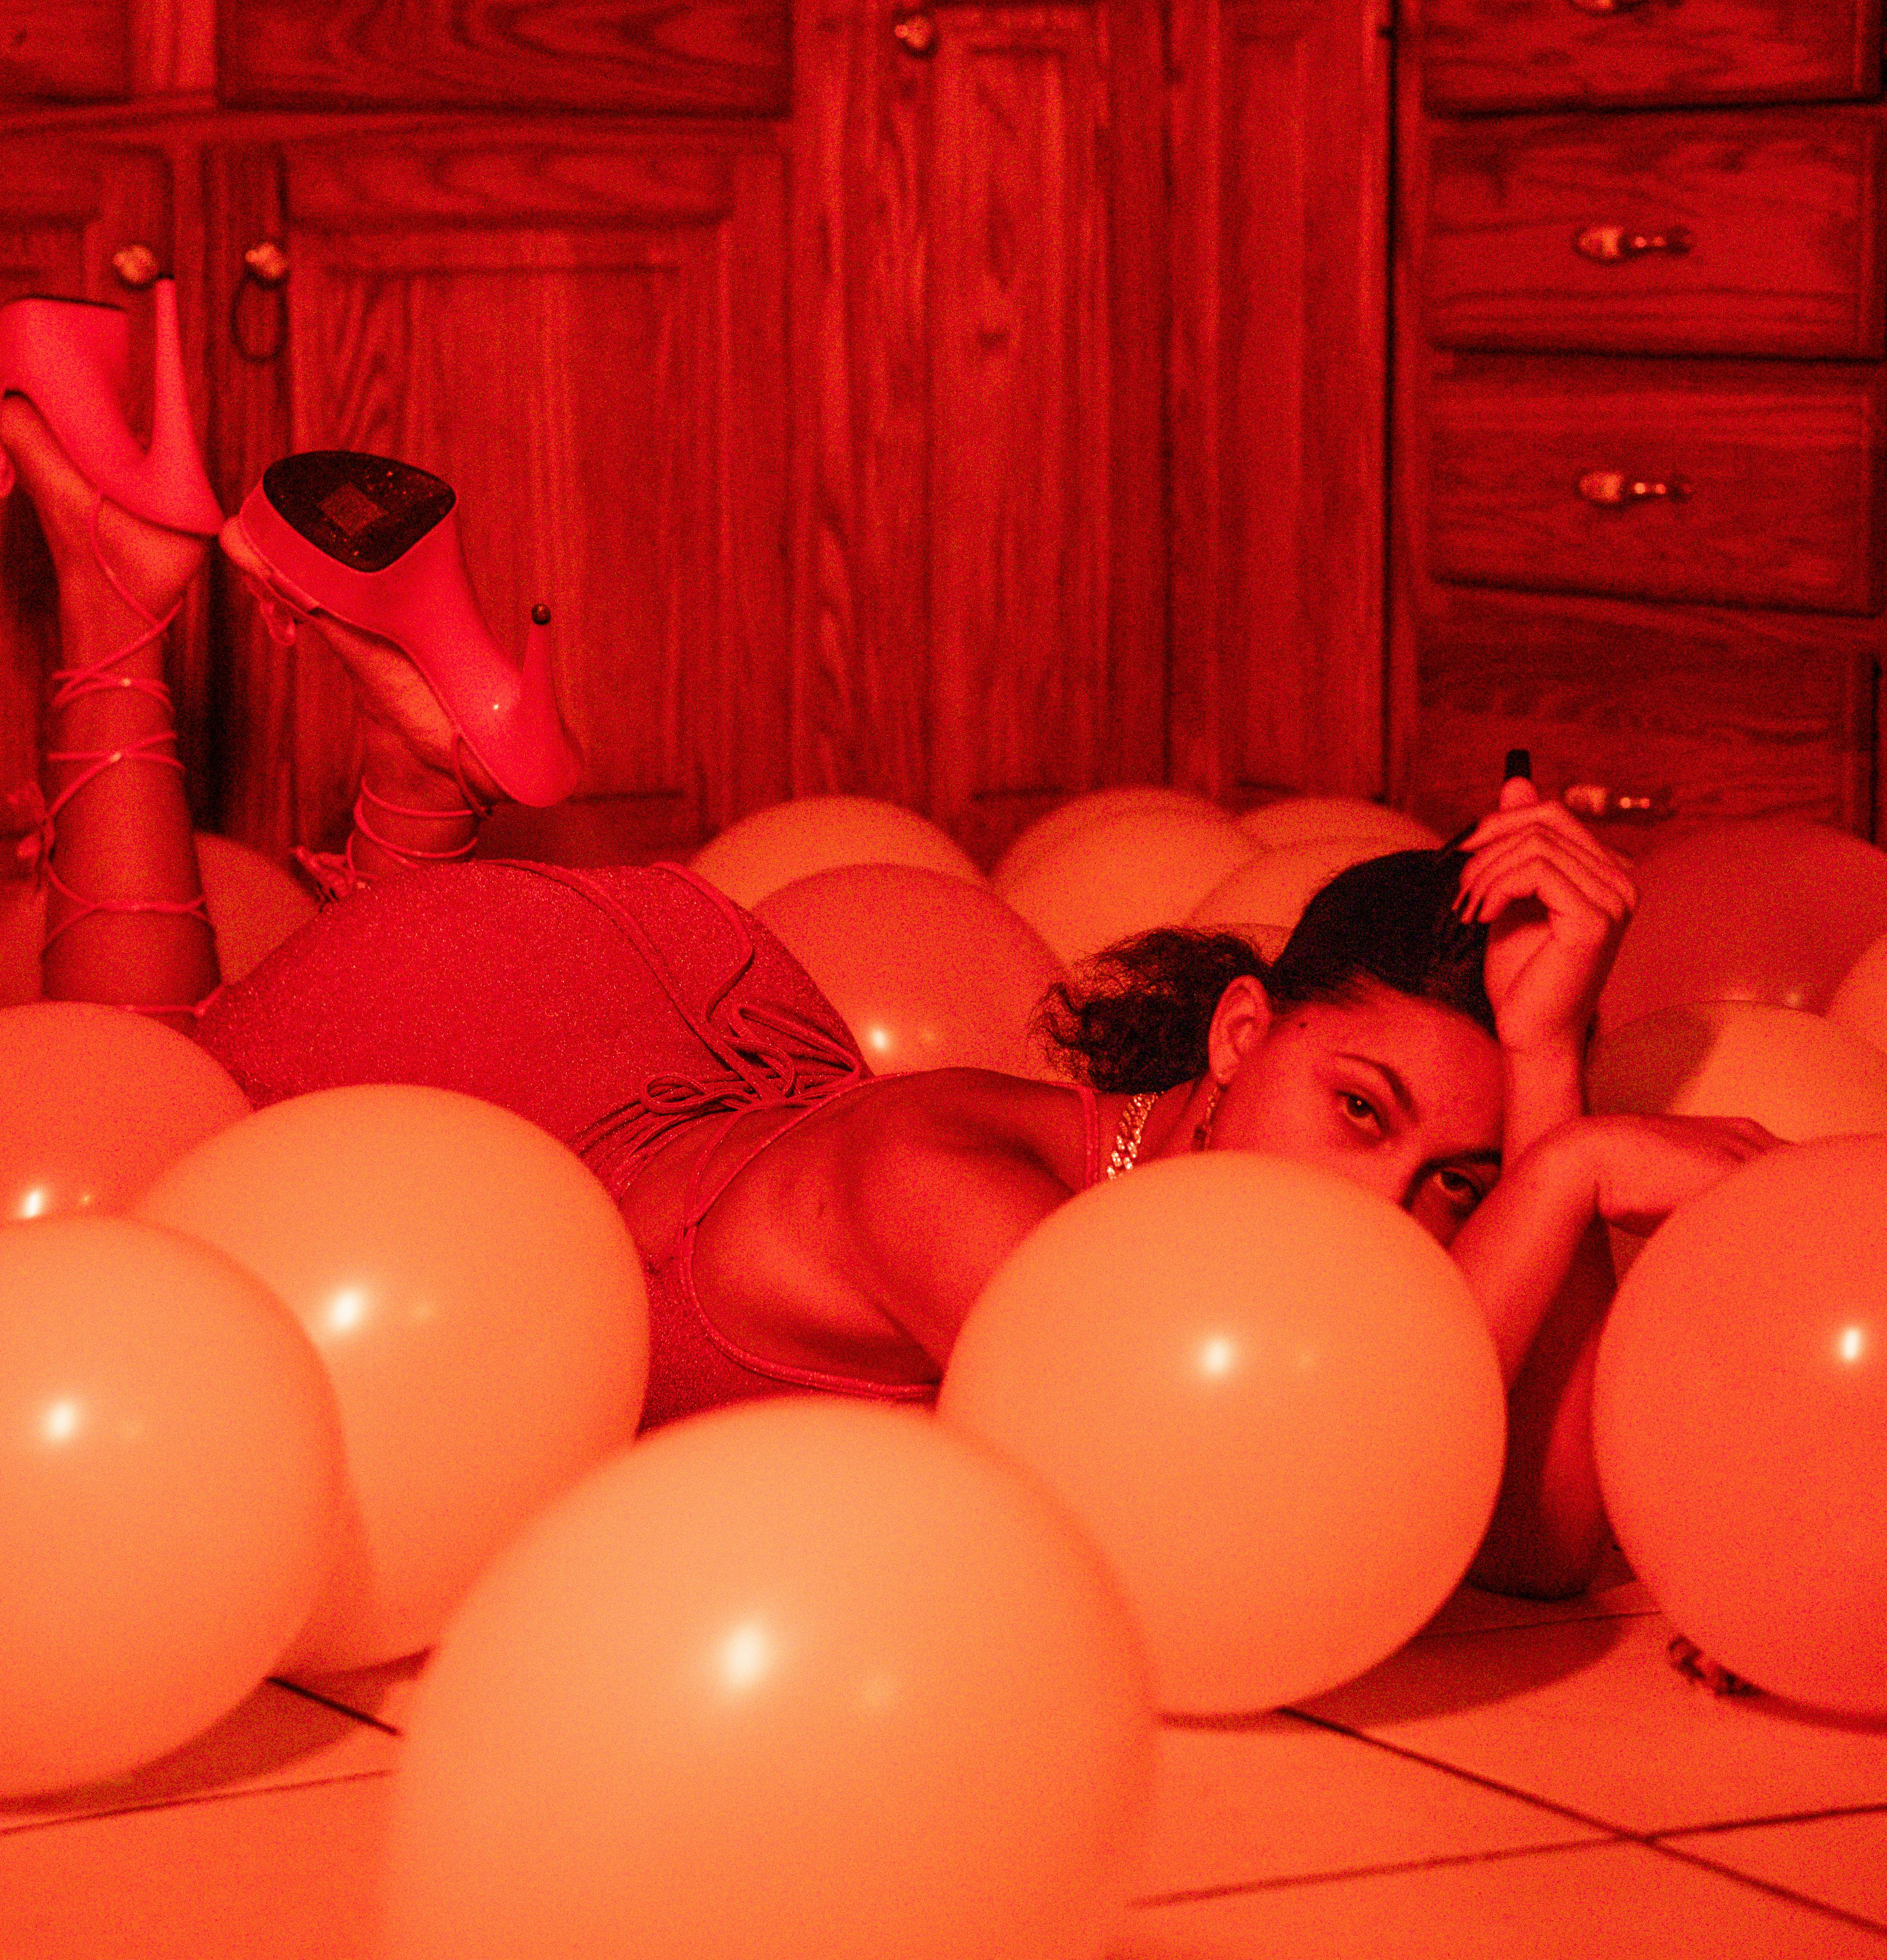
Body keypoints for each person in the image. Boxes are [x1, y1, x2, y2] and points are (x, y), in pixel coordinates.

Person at [0, 290, 1778, 1601]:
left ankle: (408, 757)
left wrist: (1552, 1078)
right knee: (140, 1140)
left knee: (178, 1135)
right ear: (1241, 1037)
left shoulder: (1143, 1226)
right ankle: (114, 596)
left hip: (540, 1106)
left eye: (1455, 1185)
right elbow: (1303, 1492)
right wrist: (1574, 1178)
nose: (1377, 1222)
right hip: (488, 1069)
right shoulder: (969, 1199)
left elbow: (1538, 1548)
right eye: (1364, 1112)